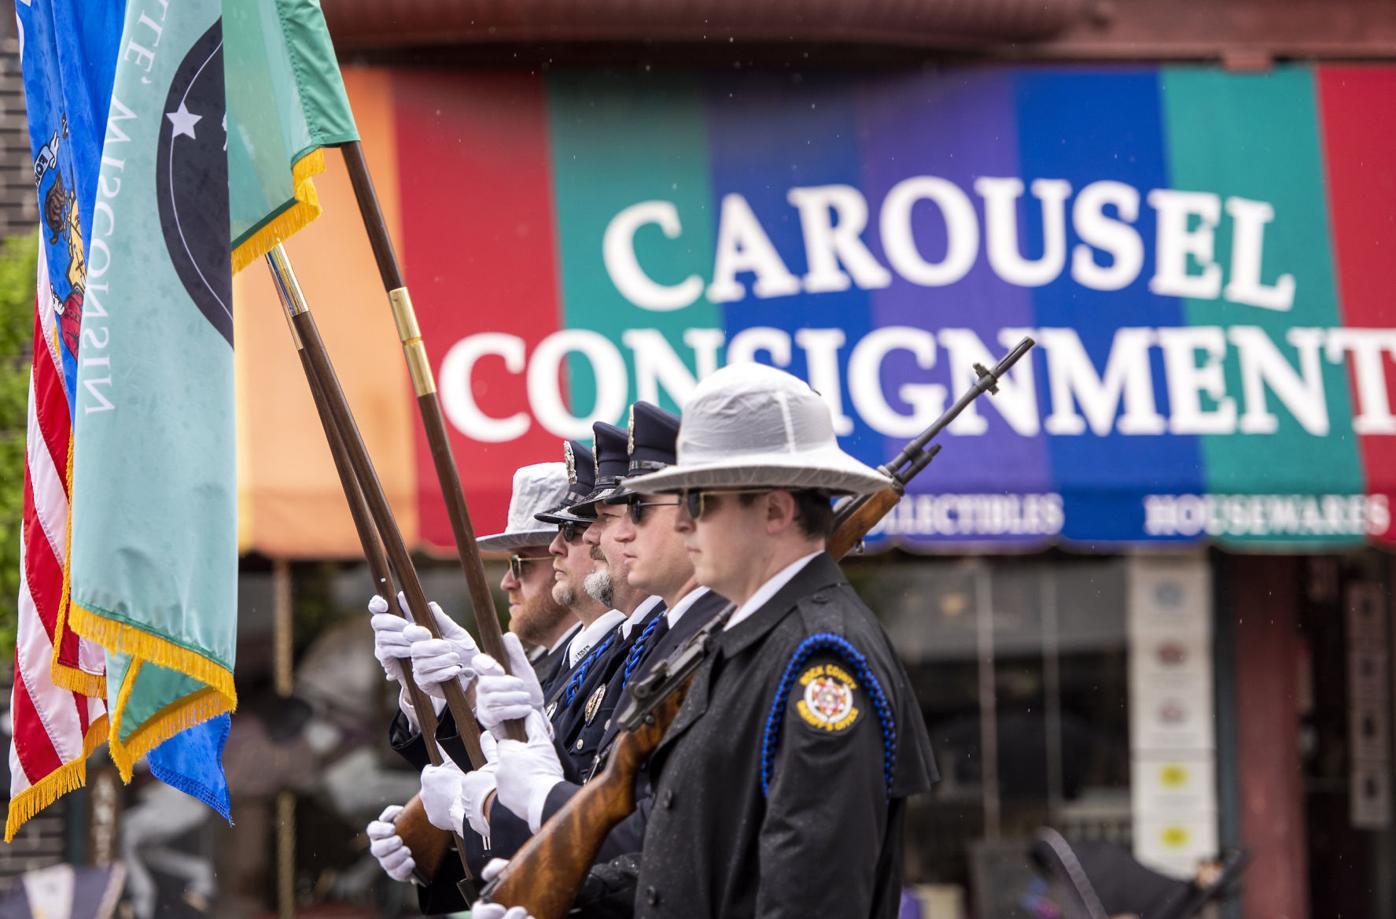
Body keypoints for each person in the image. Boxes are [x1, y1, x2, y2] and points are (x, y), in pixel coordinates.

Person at [473, 363, 939, 919]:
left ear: (774, 509)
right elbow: (695, 847)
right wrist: (575, 893)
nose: (684, 524)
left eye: (698, 501)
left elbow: (809, 896)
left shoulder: (821, 659)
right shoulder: (748, 640)